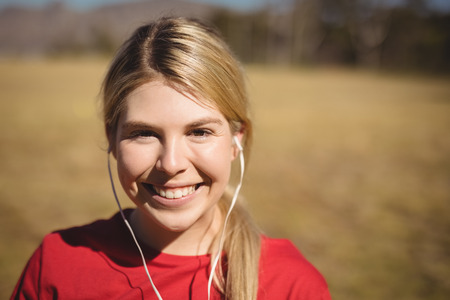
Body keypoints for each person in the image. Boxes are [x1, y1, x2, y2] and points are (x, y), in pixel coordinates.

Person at [11, 17, 331, 300]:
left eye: (200, 132)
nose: (171, 163)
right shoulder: (59, 266)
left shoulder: (291, 286)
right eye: (145, 133)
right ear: (111, 138)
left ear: (237, 140)